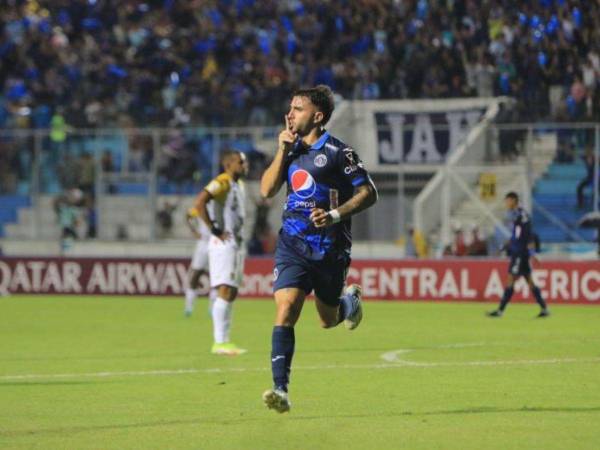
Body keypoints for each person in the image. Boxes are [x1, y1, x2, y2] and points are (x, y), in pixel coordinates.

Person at [259, 85, 378, 413]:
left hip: (330, 249)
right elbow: (267, 189)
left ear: (318, 115)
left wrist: (335, 215)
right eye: (291, 107)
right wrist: (281, 150)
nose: (291, 113)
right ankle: (280, 389)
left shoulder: (340, 153)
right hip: (292, 244)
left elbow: (369, 192)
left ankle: (348, 303)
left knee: (327, 321)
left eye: (298, 108)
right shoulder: (291, 148)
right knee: (286, 309)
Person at [194, 150, 249, 356]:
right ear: (228, 165)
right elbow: (200, 203)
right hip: (223, 243)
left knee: (231, 291)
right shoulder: (222, 181)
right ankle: (219, 342)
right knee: (225, 289)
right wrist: (214, 229)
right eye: (240, 162)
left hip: (236, 244)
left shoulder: (238, 185)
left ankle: (225, 341)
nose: (245, 165)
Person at [488, 192, 550, 318]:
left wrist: (532, 253)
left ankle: (500, 310)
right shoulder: (517, 215)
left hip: (520, 254)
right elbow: (516, 236)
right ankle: (544, 308)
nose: (506, 204)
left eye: (507, 201)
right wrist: (505, 247)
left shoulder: (522, 216)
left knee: (511, 279)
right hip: (519, 252)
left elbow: (529, 235)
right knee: (529, 281)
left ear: (513, 200)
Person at [183, 205, 213, 317]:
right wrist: (194, 231)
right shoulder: (203, 205)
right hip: (203, 243)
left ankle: (212, 308)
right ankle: (189, 308)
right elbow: (187, 215)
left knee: (215, 276)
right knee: (195, 275)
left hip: (216, 242)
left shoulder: (221, 205)